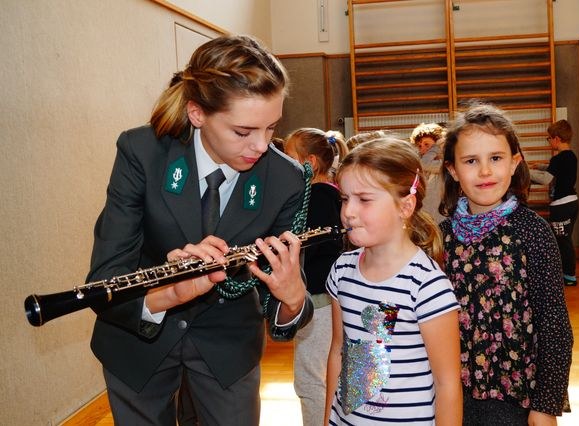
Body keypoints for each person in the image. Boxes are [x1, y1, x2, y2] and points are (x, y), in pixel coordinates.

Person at [87, 34, 314, 426]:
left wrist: (293, 298)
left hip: (228, 348)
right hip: (138, 340)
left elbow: (283, 298)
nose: (262, 146)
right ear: (196, 114)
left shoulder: (286, 179)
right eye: (243, 132)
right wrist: (170, 293)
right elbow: (106, 277)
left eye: (271, 127)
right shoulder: (142, 152)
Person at [438, 103, 573, 425]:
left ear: (515, 163)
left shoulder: (533, 232)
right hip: (450, 395)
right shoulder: (439, 238)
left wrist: (546, 405)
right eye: (471, 161)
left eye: (496, 158)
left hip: (514, 398)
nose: (485, 171)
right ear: (453, 170)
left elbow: (554, 324)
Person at [325, 138, 462, 425]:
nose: (348, 212)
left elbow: (448, 384)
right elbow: (338, 351)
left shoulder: (427, 286)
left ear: (405, 206)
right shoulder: (342, 270)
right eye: (345, 199)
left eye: (364, 199)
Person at [283, 127, 348, 426]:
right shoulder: (328, 194)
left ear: (309, 163)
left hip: (319, 301)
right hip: (324, 299)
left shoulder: (318, 197)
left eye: (289, 158)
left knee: (310, 380)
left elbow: (317, 248)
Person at [530, 119, 579, 286]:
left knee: (563, 242)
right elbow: (557, 170)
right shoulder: (570, 156)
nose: (549, 141)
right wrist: (541, 166)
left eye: (549, 138)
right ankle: (567, 274)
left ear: (556, 139)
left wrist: (525, 172)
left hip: (562, 205)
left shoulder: (558, 159)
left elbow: (546, 180)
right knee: (564, 240)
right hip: (572, 203)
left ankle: (569, 277)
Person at [410, 122, 447, 224]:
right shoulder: (420, 165)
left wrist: (437, 146)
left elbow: (425, 163)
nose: (423, 149)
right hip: (424, 217)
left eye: (427, 144)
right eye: (420, 146)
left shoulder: (444, 164)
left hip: (441, 218)